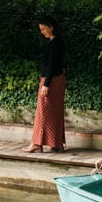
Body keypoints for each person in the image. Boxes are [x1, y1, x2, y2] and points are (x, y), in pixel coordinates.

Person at [24, 14, 66, 153]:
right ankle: (55, 144)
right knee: (54, 112)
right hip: (56, 80)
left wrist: (46, 84)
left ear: (51, 27)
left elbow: (52, 65)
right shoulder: (56, 43)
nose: (42, 32)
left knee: (43, 111)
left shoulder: (55, 44)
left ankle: (37, 143)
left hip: (51, 81)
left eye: (43, 29)